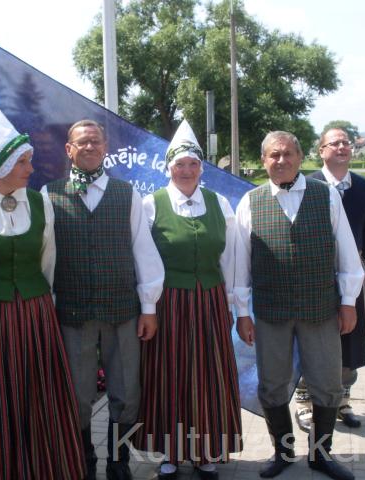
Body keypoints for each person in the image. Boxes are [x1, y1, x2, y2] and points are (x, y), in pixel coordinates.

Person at [0, 107, 86, 479]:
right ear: (4, 165)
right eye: (23, 161)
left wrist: (36, 300)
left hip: (34, 312)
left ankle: (42, 466)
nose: (30, 168)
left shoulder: (39, 204)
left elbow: (47, 261)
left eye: (28, 161)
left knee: (39, 391)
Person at [235, 131, 364, 480]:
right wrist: (242, 312)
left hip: (320, 308)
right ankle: (283, 451)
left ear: (300, 156)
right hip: (271, 312)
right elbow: (240, 265)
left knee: (326, 383)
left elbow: (347, 254)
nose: (281, 160)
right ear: (264, 161)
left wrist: (349, 302)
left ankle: (321, 455)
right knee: (272, 383)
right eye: (273, 155)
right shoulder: (250, 202)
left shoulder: (326, 196)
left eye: (288, 154)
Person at [43, 119, 164, 480]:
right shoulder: (49, 195)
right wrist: (48, 307)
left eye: (95, 141)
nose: (90, 147)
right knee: (78, 395)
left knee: (126, 390)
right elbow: (44, 258)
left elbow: (144, 252)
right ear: (70, 150)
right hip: (73, 310)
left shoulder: (127, 195)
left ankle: (118, 460)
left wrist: (148, 308)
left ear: (105, 147)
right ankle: (84, 460)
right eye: (82, 142)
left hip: (121, 310)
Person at [133, 121, 243, 480]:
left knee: (209, 376)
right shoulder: (151, 205)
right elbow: (144, 260)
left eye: (193, 164)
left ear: (201, 168)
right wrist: (148, 306)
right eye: (179, 164)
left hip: (210, 302)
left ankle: (207, 450)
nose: (186, 170)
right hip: (169, 304)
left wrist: (236, 307)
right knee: (169, 375)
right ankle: (171, 453)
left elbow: (231, 260)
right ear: (169, 168)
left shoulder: (219, 203)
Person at [294, 129, 365, 433]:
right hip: (314, 273)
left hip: (352, 273)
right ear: (321, 150)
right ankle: (305, 401)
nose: (343, 147)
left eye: (346, 143)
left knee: (351, 336)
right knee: (312, 334)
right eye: (335, 143)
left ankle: (342, 400)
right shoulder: (307, 186)